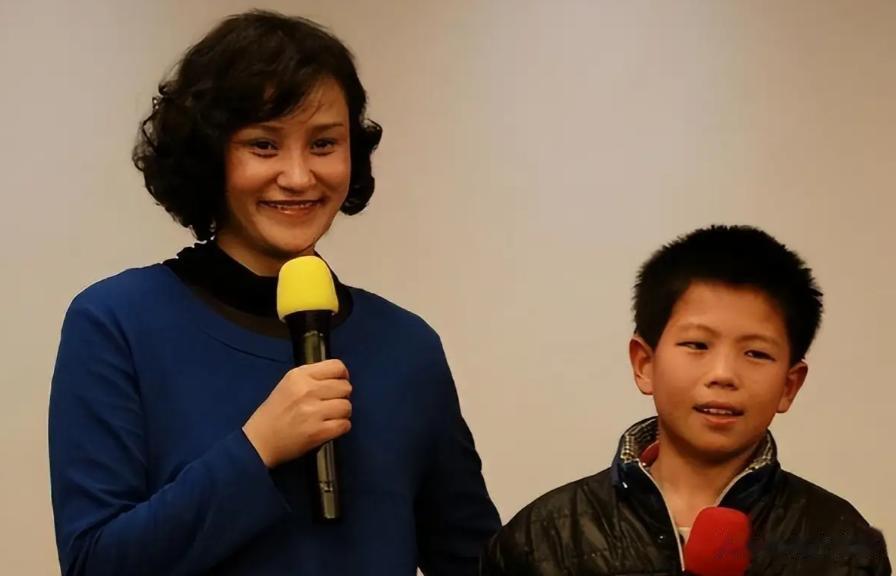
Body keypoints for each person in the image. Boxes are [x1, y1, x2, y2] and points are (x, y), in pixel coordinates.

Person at [48, 10, 499, 575]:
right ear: (211, 154)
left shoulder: (407, 346)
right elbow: (94, 564)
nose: (299, 176)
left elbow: (473, 560)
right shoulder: (117, 322)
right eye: (263, 145)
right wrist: (257, 448)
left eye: (324, 143)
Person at [481, 225, 890, 575]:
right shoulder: (541, 539)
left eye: (756, 353)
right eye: (697, 345)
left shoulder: (843, 545)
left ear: (789, 385)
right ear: (644, 364)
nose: (723, 374)